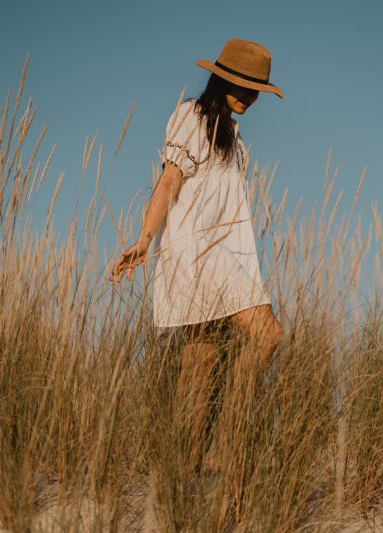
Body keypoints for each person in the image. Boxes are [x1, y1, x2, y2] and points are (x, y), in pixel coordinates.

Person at [110, 38, 284, 466]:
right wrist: (144, 239)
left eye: (256, 89)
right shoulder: (193, 116)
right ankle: (225, 448)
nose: (250, 95)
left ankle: (180, 472)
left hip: (224, 255)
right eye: (243, 85)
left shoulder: (234, 139)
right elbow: (170, 179)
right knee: (267, 334)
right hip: (199, 256)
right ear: (221, 79)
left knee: (200, 369)